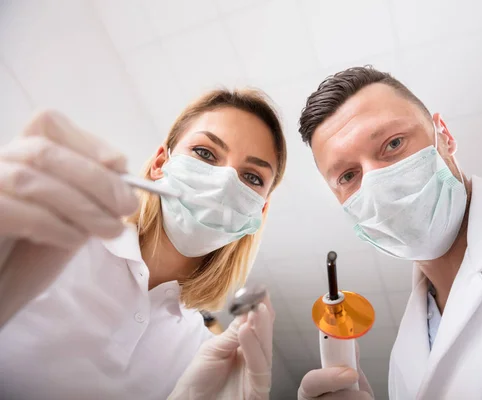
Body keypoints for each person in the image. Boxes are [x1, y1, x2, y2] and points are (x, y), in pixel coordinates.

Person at [296, 66, 482, 399]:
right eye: (347, 176)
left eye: (393, 144)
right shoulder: (404, 365)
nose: (375, 185)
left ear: (444, 135)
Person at [0, 88, 287, 399]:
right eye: (205, 153)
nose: (224, 183)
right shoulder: (49, 249)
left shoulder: (203, 355)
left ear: (259, 211)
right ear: (161, 162)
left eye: (252, 177)